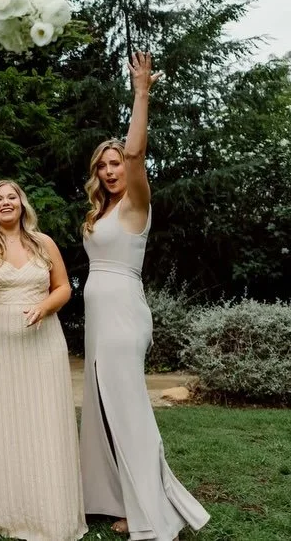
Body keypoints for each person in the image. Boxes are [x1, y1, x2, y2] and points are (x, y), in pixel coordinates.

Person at [79, 52, 209, 539]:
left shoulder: (136, 204)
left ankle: (148, 508)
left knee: (127, 407)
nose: (112, 171)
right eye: (104, 165)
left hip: (122, 317)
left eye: (117, 163)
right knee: (101, 406)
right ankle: (113, 498)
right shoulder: (99, 212)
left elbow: (136, 154)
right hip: (98, 317)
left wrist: (141, 92)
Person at [0, 180, 87, 541]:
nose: (5, 202)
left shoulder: (43, 243)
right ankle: (6, 509)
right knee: (2, 418)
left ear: (22, 203)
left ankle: (49, 508)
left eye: (11, 196)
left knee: (43, 417)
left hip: (42, 338)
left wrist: (45, 307)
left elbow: (63, 287)